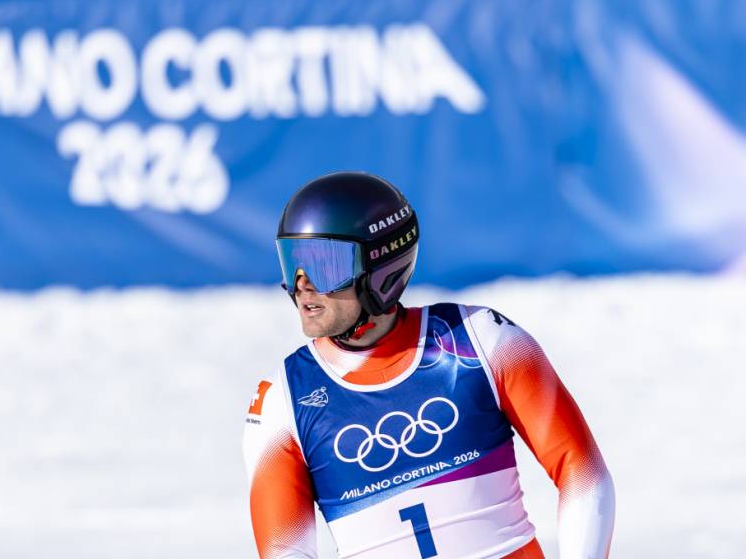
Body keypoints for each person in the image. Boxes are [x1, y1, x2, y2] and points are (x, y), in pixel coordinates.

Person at [242, 172, 615, 559]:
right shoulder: (281, 401)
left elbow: (582, 473)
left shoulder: (482, 340)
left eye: (323, 266)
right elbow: (285, 552)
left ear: (380, 268)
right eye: (293, 265)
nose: (303, 285)